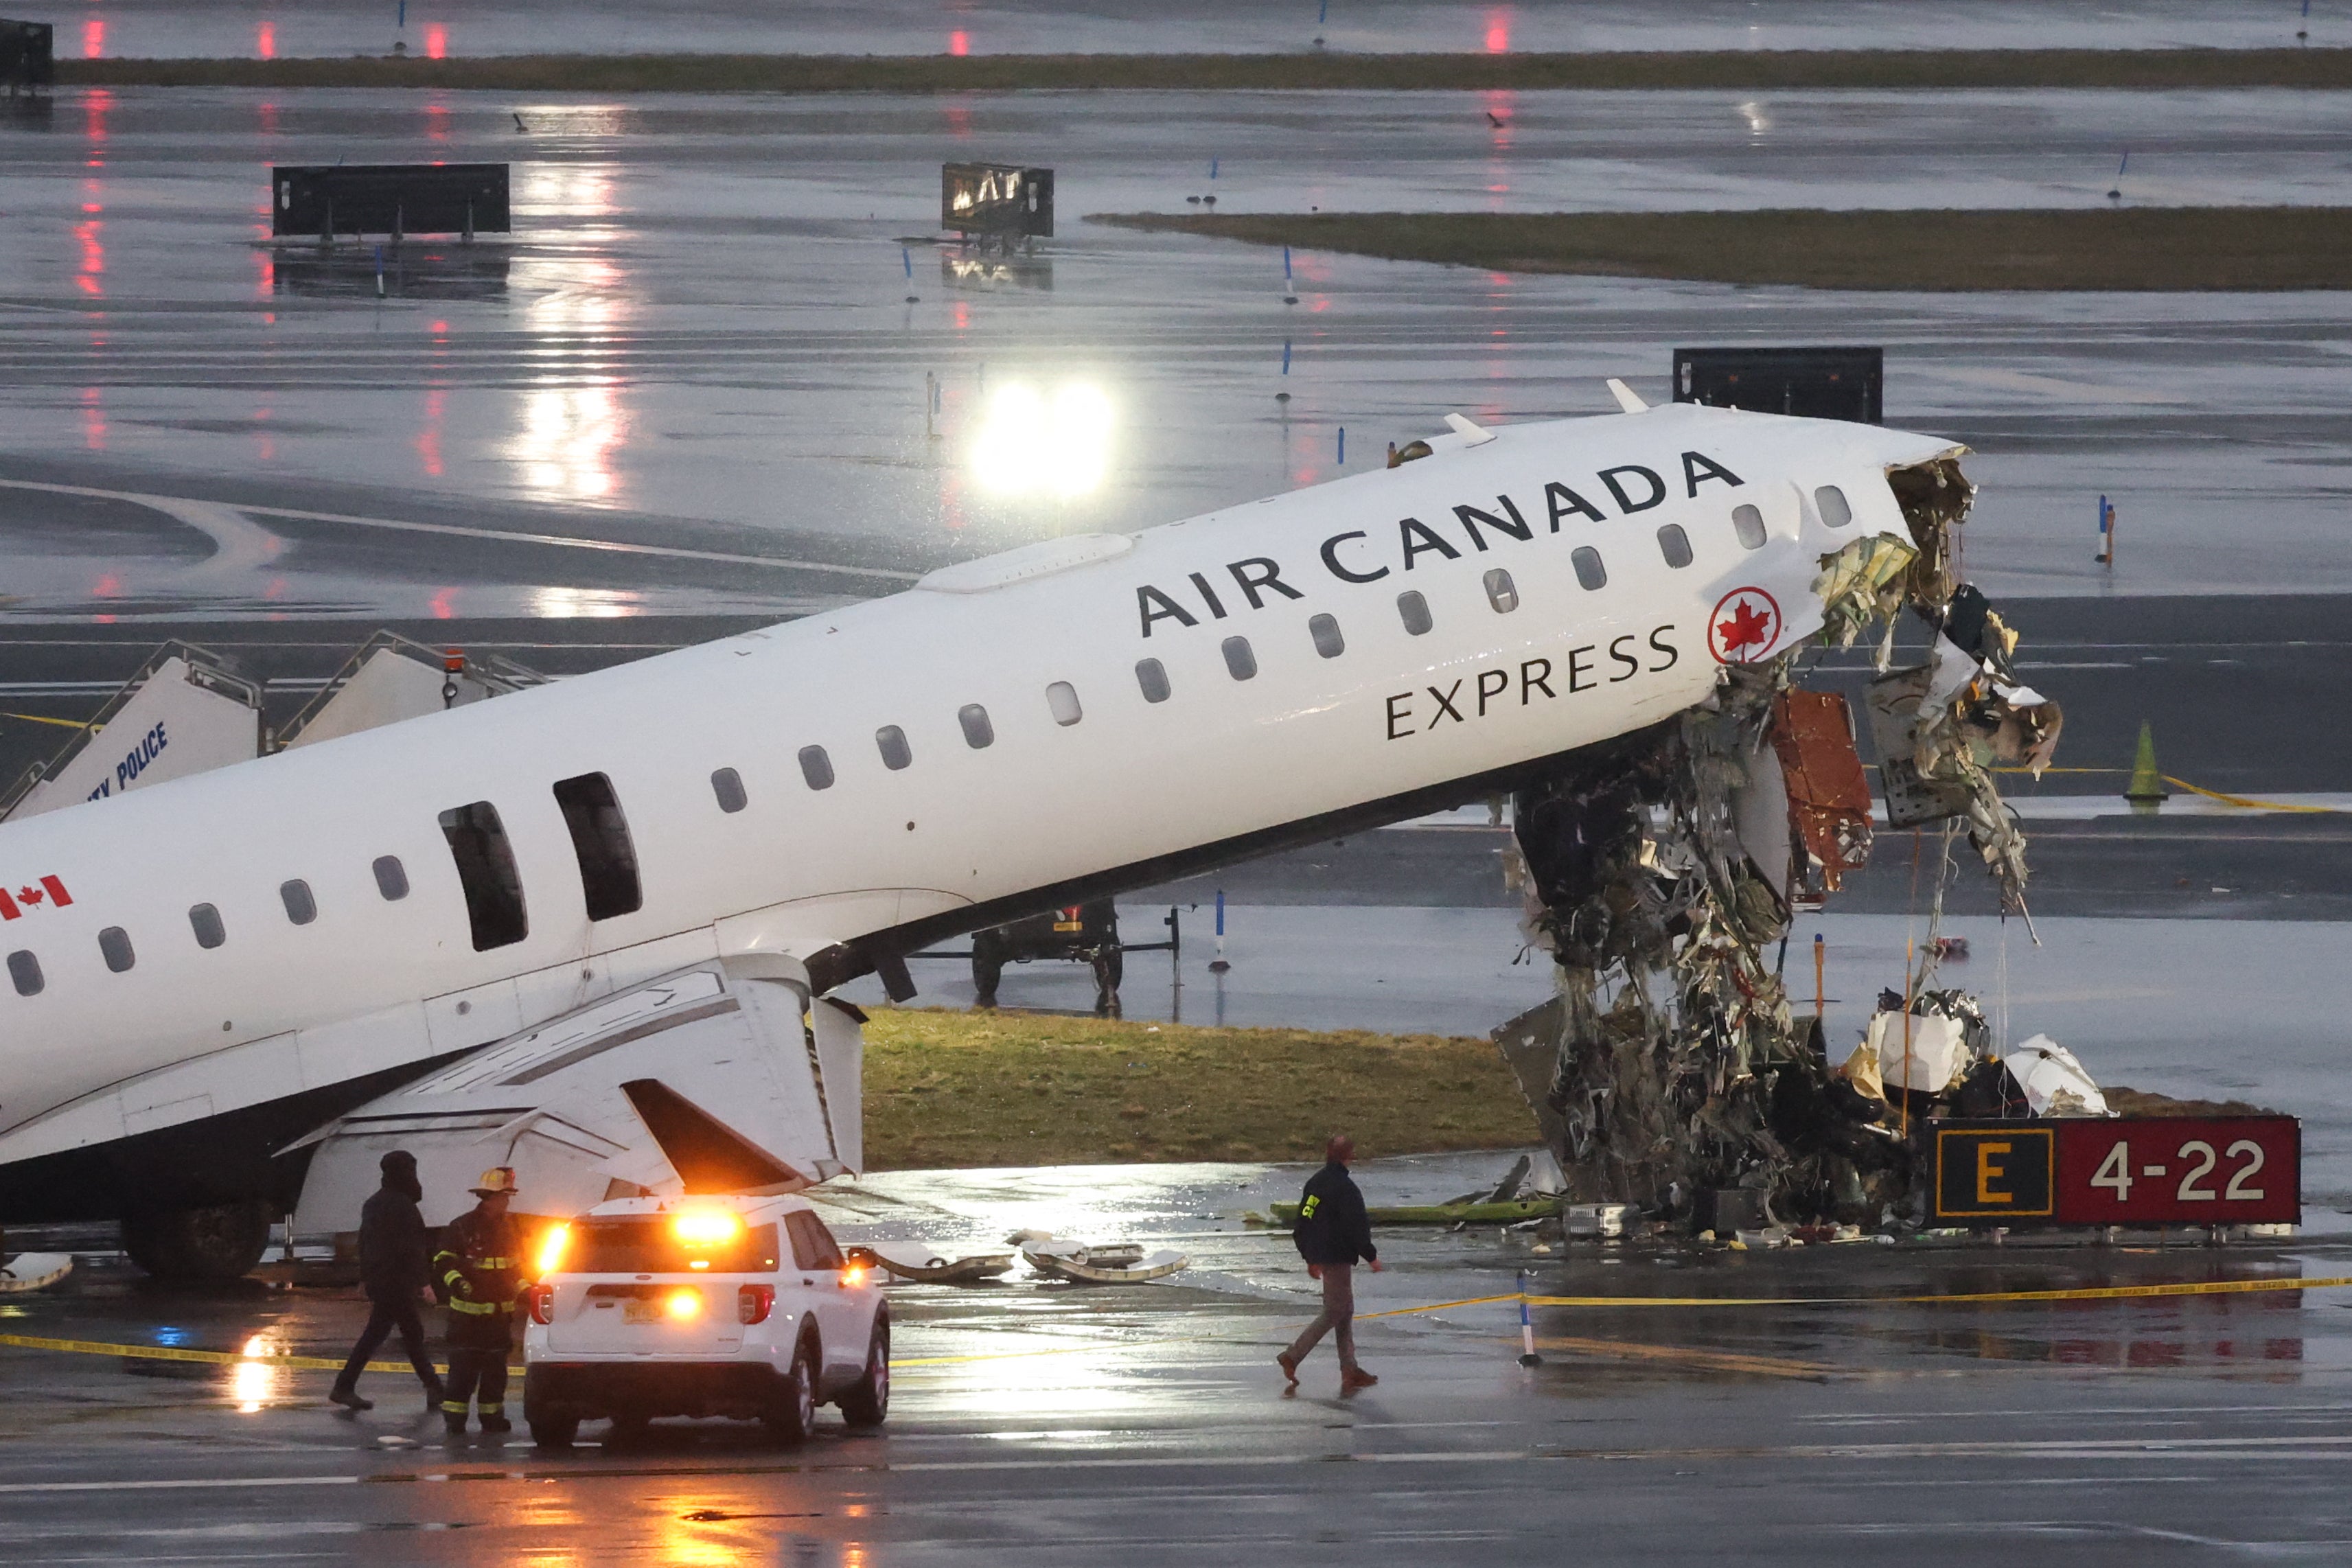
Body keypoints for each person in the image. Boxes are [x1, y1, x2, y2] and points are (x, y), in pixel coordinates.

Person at [329, 1150, 443, 1413]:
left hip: (381, 1280)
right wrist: (425, 1282)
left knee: (378, 1333)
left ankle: (345, 1385)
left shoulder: (374, 1203)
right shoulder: (404, 1207)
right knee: (410, 1333)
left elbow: (365, 1243)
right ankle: (434, 1387)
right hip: (397, 1281)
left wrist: (365, 1277)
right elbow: (413, 1248)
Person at [1278, 1133, 1382, 1392]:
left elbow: (1304, 1221)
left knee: (1344, 1311)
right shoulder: (1346, 1189)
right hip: (1337, 1259)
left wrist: (1310, 1256)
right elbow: (1356, 1227)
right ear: (1349, 1157)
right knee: (1335, 1311)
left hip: (1323, 1257)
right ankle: (1293, 1355)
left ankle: (1350, 1370)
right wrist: (1371, 1256)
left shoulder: (1315, 1185)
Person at [433, 1166, 527, 1436]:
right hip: (467, 1318)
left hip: (499, 1318)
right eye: (504, 1197)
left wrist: (527, 1292)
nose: (508, 1202)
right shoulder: (462, 1227)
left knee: (496, 1374)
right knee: (463, 1371)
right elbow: (442, 1261)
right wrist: (459, 1283)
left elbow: (516, 1269)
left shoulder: (509, 1229)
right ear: (489, 1199)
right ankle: (454, 1419)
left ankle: (492, 1418)